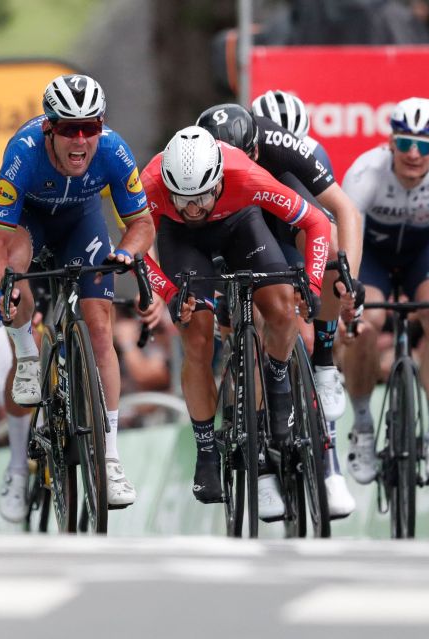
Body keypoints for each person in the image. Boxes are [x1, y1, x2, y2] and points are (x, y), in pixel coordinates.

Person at [140, 125, 342, 521]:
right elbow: (133, 250)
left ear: (218, 178)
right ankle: (206, 449)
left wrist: (314, 282)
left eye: (201, 196)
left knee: (283, 308)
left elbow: (316, 223)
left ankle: (279, 381)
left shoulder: (245, 174)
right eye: (184, 199)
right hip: (183, 243)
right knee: (196, 336)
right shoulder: (149, 185)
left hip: (240, 223)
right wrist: (168, 293)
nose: (194, 208)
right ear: (167, 186)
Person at [0, 74, 155, 517]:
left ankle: (111, 459)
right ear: (49, 129)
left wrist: (125, 254)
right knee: (16, 264)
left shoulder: (114, 151)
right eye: (68, 129)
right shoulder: (23, 152)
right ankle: (19, 453)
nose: (80, 140)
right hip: (31, 225)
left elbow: (142, 226)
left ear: (102, 126)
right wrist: (4, 298)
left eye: (90, 128)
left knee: (100, 329)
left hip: (81, 224)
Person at [195, 103, 363, 517]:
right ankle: (260, 460)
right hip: (236, 219)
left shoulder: (284, 148)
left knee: (329, 262)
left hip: (284, 214)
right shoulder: (199, 157)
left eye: (246, 155)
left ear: (258, 144)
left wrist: (347, 283)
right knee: (245, 328)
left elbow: (344, 213)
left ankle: (323, 366)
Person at [340, 96, 429, 487]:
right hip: (373, 254)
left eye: (423, 145)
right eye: (404, 143)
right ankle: (363, 429)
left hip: (424, 250)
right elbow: (348, 245)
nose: (413, 153)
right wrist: (349, 300)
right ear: (391, 143)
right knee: (367, 321)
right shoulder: (365, 173)